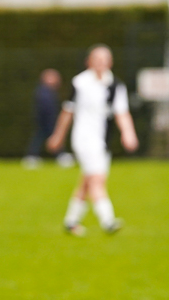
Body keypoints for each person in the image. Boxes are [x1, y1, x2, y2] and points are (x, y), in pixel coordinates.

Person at [47, 44, 138, 236]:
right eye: (96, 59)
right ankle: (108, 221)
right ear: (88, 61)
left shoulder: (115, 85)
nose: (100, 64)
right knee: (97, 179)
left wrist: (128, 133)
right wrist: (58, 136)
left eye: (104, 60)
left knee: (87, 181)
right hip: (83, 139)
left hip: (102, 141)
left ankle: (71, 222)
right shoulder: (79, 83)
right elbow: (67, 112)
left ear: (110, 62)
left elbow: (122, 113)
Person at [23, 68, 64, 168]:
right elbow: (45, 109)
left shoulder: (47, 91)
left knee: (40, 137)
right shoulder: (44, 92)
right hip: (45, 120)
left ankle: (32, 156)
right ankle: (60, 156)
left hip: (46, 120)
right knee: (49, 137)